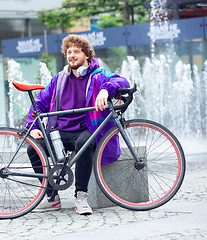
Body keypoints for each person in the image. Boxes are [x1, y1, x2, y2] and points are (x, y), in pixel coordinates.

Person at [25, 34, 130, 215]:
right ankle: (52, 197)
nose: (72, 55)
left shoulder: (99, 76)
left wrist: (105, 89)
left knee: (84, 143)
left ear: (87, 55)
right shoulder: (58, 79)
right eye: (69, 52)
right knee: (33, 148)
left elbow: (122, 81)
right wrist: (32, 128)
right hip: (58, 131)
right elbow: (39, 104)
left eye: (76, 52)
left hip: (85, 129)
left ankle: (81, 195)